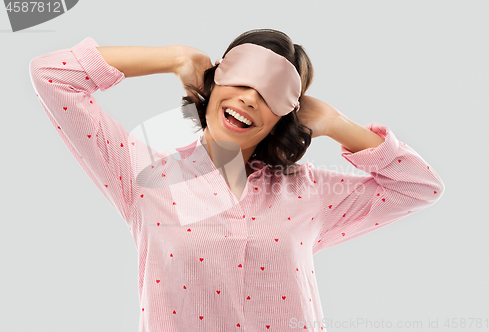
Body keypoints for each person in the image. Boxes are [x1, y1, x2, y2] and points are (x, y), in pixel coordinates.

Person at [29, 28, 444, 332]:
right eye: (241, 82)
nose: (248, 98)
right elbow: (51, 74)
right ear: (214, 83)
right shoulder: (141, 173)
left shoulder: (310, 191)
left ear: (285, 115)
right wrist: (174, 57)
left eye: (269, 94)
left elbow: (419, 185)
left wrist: (336, 123)